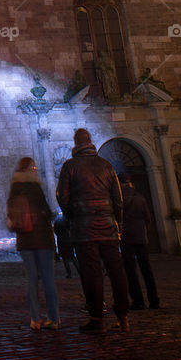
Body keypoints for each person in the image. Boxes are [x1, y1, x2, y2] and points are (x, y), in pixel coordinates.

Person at [56, 128, 130, 333]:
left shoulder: (70, 166)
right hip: (108, 226)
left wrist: (73, 216)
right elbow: (118, 199)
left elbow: (62, 197)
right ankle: (123, 316)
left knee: (92, 273)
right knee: (117, 272)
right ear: (90, 142)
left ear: (76, 143)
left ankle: (97, 317)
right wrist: (118, 224)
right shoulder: (106, 166)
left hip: (84, 227)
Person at [7, 157, 59, 330]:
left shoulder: (15, 187)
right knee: (48, 279)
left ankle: (35, 319)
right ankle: (54, 318)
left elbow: (10, 213)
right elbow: (48, 212)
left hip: (26, 238)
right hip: (43, 239)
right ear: (31, 169)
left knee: (31, 279)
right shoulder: (37, 187)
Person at [119, 178, 160, 310]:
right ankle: (154, 300)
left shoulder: (118, 199)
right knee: (147, 270)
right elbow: (147, 218)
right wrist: (143, 232)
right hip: (141, 238)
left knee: (130, 271)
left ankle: (138, 301)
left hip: (126, 239)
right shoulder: (140, 199)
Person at [53, 212, 77, 279]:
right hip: (68, 238)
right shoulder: (66, 219)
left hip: (61, 240)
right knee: (72, 256)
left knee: (65, 258)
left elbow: (56, 231)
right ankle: (79, 271)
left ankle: (69, 273)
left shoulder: (57, 220)